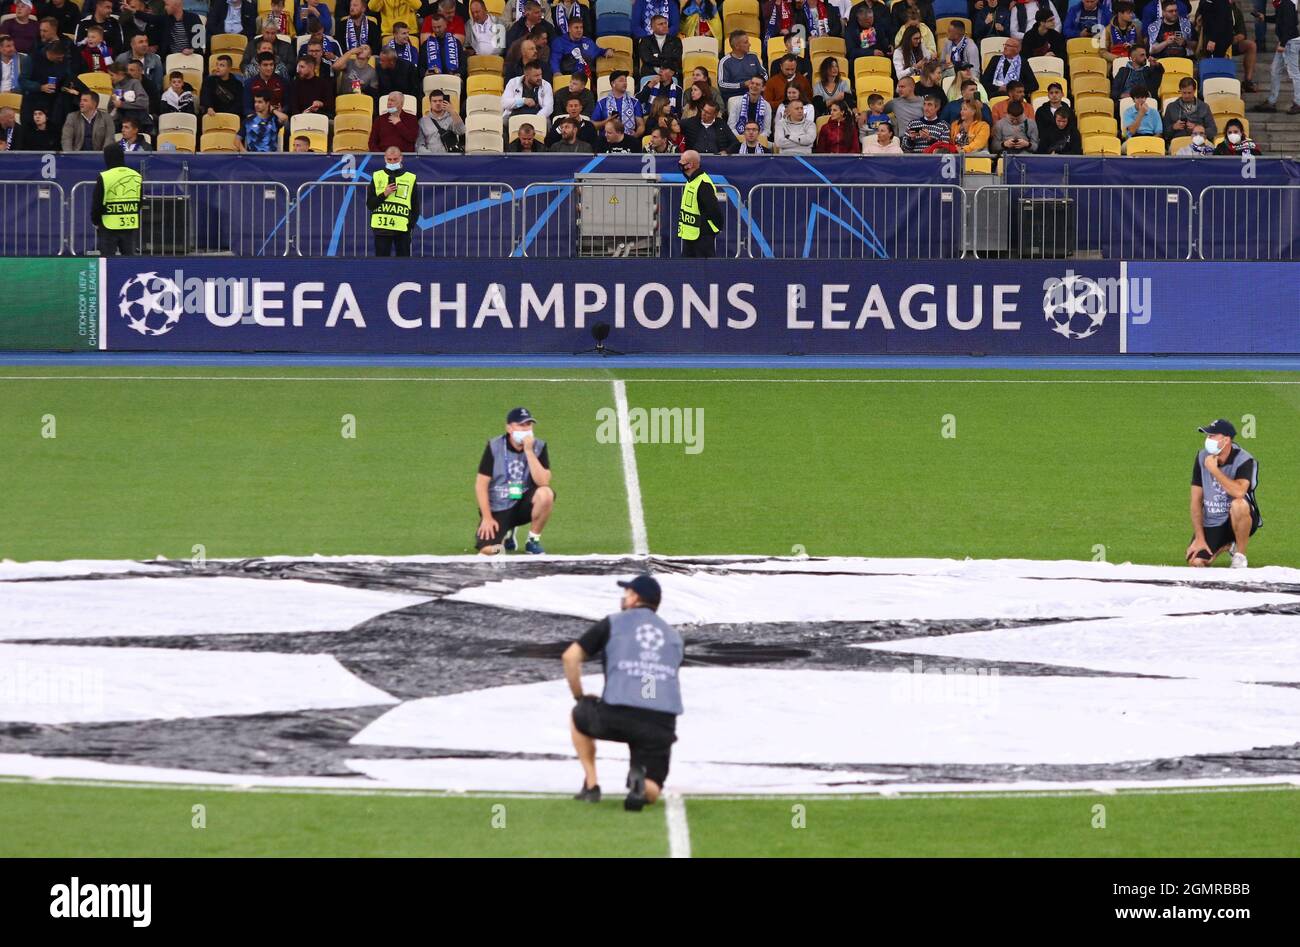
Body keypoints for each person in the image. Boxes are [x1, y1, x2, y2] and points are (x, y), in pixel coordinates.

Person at [564, 574, 684, 811]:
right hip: (660, 722)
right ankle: (640, 785)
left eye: (627, 592)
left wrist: (580, 697)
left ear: (635, 598)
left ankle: (591, 785)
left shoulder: (613, 623)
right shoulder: (673, 636)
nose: (624, 597)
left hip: (618, 713)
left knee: (578, 715)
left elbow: (570, 657)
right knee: (653, 788)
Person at [475, 407, 553, 555]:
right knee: (489, 550)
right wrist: (486, 518)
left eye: (528, 425)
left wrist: (529, 451)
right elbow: (481, 484)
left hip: (523, 503)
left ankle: (533, 540)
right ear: (509, 428)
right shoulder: (494, 446)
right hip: (499, 506)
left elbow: (543, 481)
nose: (526, 429)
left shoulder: (539, 446)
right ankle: (507, 533)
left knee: (546, 494)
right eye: (521, 425)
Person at [1186, 419, 1260, 569]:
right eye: (1207, 436)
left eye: (1212, 436)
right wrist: (1200, 538)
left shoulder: (1245, 460)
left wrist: (1214, 470)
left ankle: (1240, 555)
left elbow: (1239, 491)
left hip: (1240, 516)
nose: (1208, 440)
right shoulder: (1201, 458)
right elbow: (1195, 501)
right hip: (1213, 521)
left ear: (1226, 440)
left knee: (1238, 504)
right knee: (1195, 562)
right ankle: (1226, 544)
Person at [92, 143, 141, 256]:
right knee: (129, 261)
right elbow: (139, 202)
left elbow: (97, 203)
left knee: (108, 262)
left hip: (109, 225)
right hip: (130, 225)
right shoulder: (136, 176)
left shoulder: (104, 177)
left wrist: (95, 220)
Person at [1252, 0, 1300, 114]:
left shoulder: (1287, 4)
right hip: (1286, 41)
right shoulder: (1281, 5)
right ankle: (1271, 101)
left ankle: (1298, 102)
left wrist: (1283, 43)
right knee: (1274, 70)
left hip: (1290, 42)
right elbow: (1279, 19)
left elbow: (1290, 25)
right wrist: (1265, 17)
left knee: (1294, 73)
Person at [677, 149, 722, 257]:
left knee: (705, 270)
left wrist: (715, 226)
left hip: (702, 235)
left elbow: (713, 209)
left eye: (682, 161)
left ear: (690, 164)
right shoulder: (691, 180)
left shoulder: (703, 183)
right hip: (691, 235)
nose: (679, 163)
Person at [592, 70, 645, 137]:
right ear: (613, 83)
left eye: (625, 80)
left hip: (628, 140)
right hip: (607, 141)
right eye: (621, 80)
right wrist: (606, 121)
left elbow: (641, 125)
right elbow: (593, 125)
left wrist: (635, 136)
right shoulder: (602, 102)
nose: (625, 83)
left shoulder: (634, 102)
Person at [1163, 77, 1215, 142]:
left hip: (1199, 141)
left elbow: (1213, 131)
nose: (1187, 96)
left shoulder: (1204, 107)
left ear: (1195, 91)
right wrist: (1173, 127)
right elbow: (1165, 133)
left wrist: (1198, 129)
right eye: (1184, 93)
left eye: (1189, 93)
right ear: (1180, 90)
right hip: (1178, 142)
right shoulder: (1171, 107)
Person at [718, 30, 765, 101]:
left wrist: (756, 82)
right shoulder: (725, 61)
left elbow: (764, 74)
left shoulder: (753, 56)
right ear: (737, 46)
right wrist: (742, 84)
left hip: (755, 94)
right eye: (746, 42)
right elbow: (722, 84)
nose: (749, 44)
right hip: (735, 97)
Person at [636, 13, 681, 78]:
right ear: (652, 27)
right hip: (650, 73)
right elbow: (647, 59)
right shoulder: (645, 41)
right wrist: (665, 60)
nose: (665, 26)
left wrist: (658, 56)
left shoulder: (676, 41)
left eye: (665, 23)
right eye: (660, 24)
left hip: (671, 73)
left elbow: (676, 58)